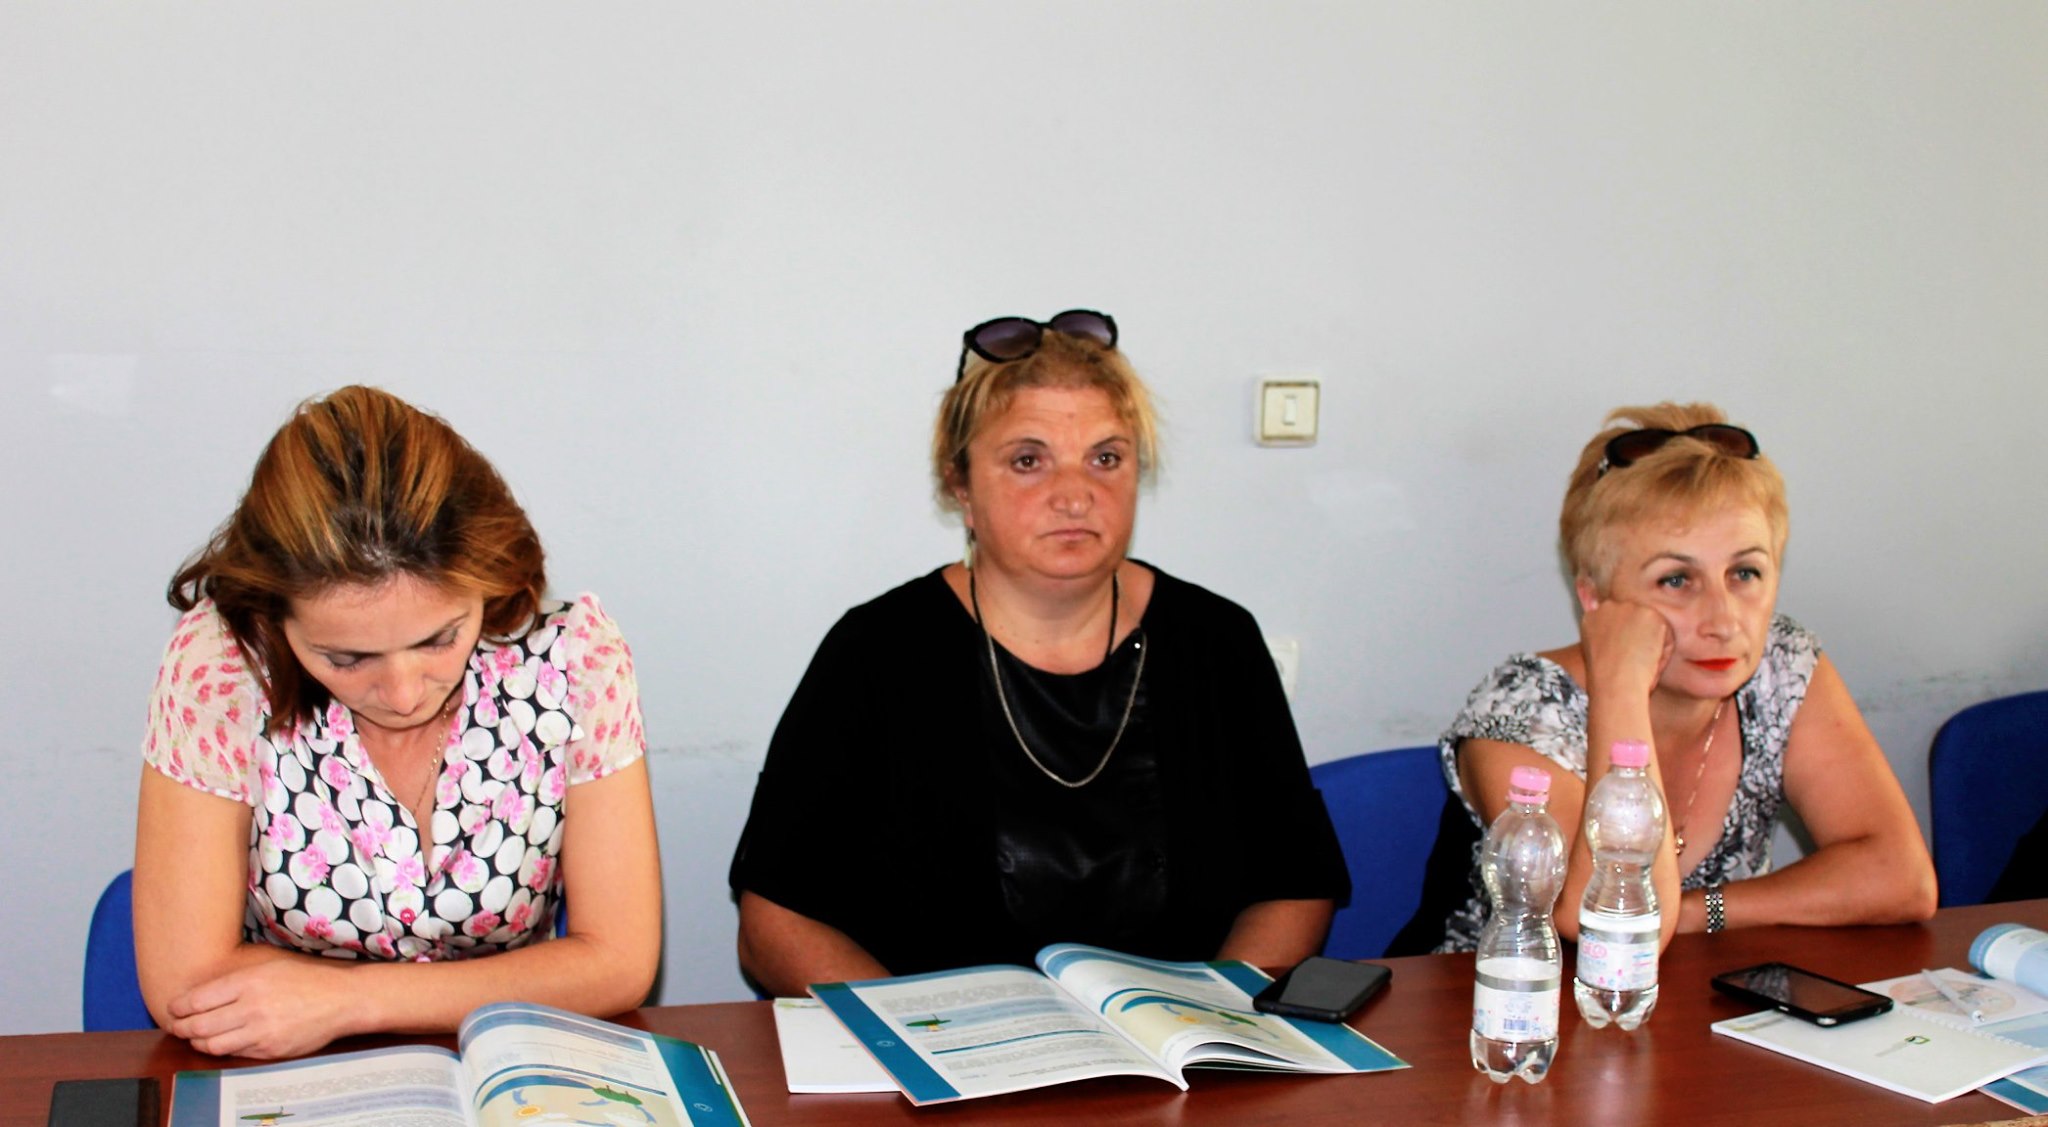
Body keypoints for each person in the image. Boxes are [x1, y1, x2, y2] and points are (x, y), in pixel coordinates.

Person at [728, 310, 1349, 996]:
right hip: (940, 1051)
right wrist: (913, 1035)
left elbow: (1295, 884)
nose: (1076, 495)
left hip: (1182, 1048)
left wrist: (1214, 1015)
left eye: (1106, 458)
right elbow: (775, 923)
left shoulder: (1217, 641)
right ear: (961, 486)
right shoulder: (877, 653)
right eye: (1029, 460)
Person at [135, 386, 662, 1059]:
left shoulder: (572, 658)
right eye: (347, 658)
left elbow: (618, 961)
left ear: (488, 580)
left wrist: (351, 1000)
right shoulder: (222, 664)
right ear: (274, 617)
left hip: (505, 1068)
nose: (404, 693)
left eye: (440, 638)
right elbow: (186, 981)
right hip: (291, 1072)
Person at [1414, 402, 1936, 954]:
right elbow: (1607, 924)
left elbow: (1902, 878)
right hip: (1502, 1001)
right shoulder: (1521, 708)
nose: (1723, 621)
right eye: (1677, 580)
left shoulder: (1782, 665)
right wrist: (1620, 688)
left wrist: (1692, 912)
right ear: (1595, 598)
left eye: (1745, 573)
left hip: (1697, 992)